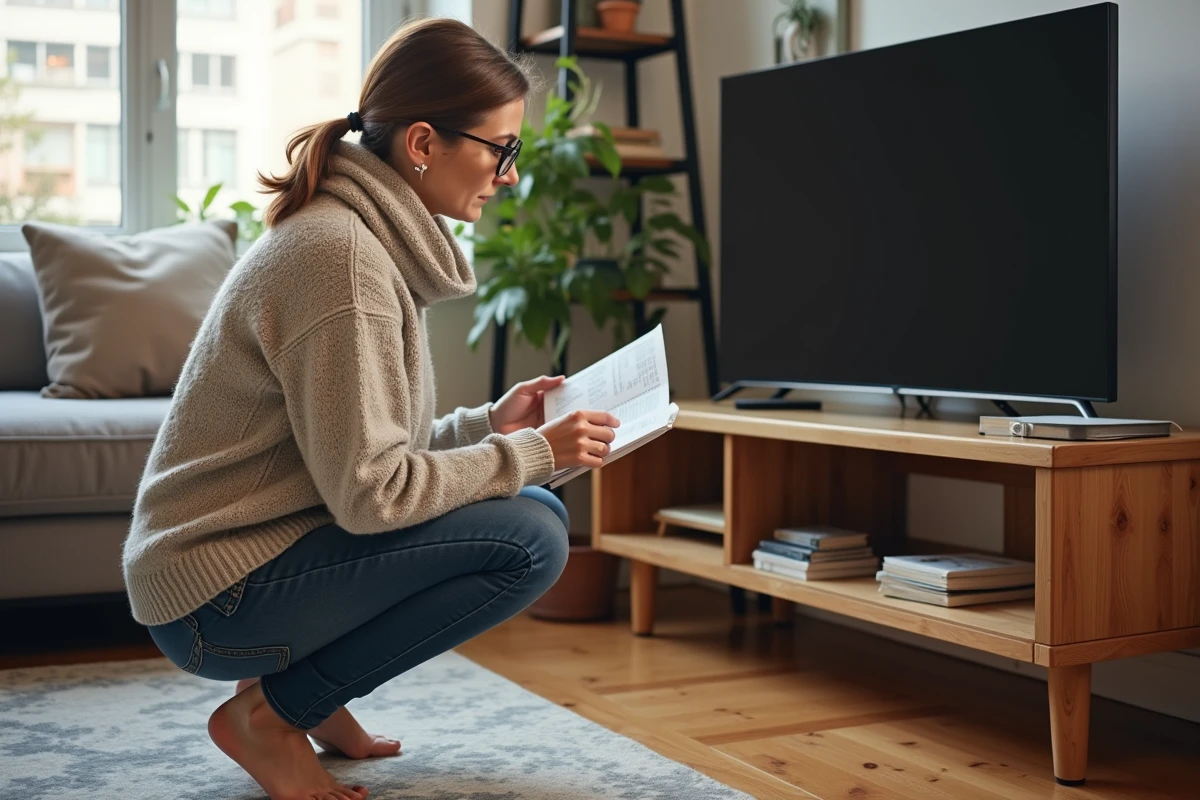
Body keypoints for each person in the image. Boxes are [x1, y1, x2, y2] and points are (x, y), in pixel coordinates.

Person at [122, 17, 619, 800]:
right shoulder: (342, 259)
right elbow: (373, 492)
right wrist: (535, 455)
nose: (510, 175)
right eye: (502, 150)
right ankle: (274, 716)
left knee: (529, 509)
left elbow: (360, 449)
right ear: (423, 144)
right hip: (215, 599)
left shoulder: (361, 239)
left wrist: (492, 427)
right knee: (530, 534)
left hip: (245, 564)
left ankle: (313, 698)